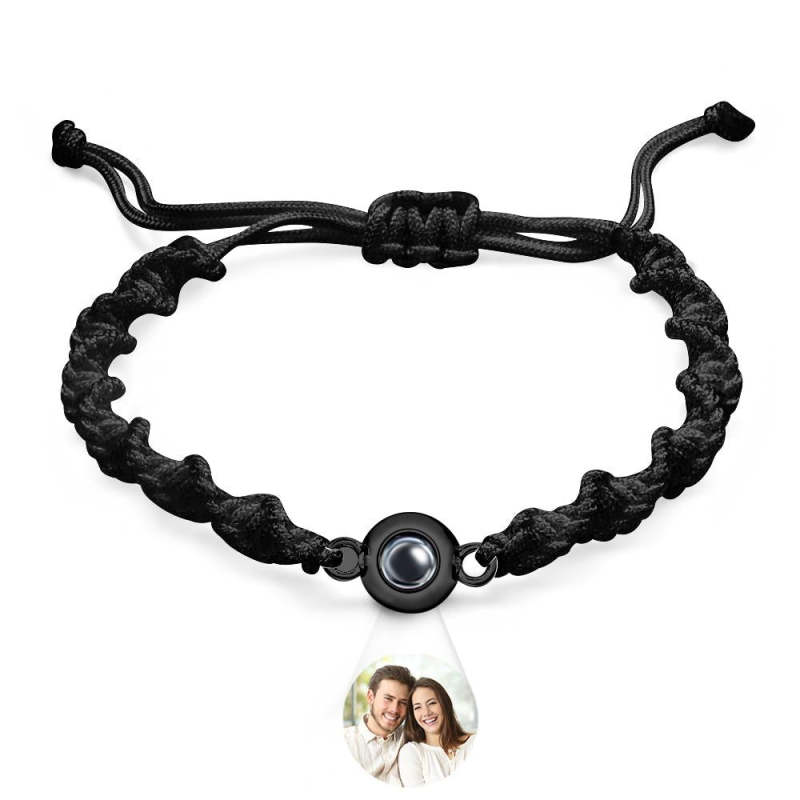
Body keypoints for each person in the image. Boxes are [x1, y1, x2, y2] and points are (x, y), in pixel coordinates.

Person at [343, 664, 415, 785]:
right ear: (370, 697)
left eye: (403, 702)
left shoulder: (411, 737)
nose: (394, 709)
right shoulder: (346, 742)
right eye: (388, 698)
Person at [398, 677, 475, 787]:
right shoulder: (412, 752)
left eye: (432, 703)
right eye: (418, 707)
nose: (426, 712)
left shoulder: (473, 742)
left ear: (445, 704)